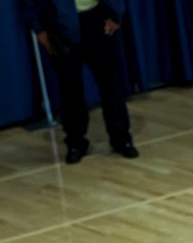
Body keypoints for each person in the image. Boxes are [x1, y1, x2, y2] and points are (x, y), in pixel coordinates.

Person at [25, 0, 137, 164]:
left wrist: (116, 11)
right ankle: (75, 143)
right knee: (70, 87)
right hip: (60, 22)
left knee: (111, 83)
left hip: (97, 17)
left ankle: (121, 137)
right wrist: (39, 28)